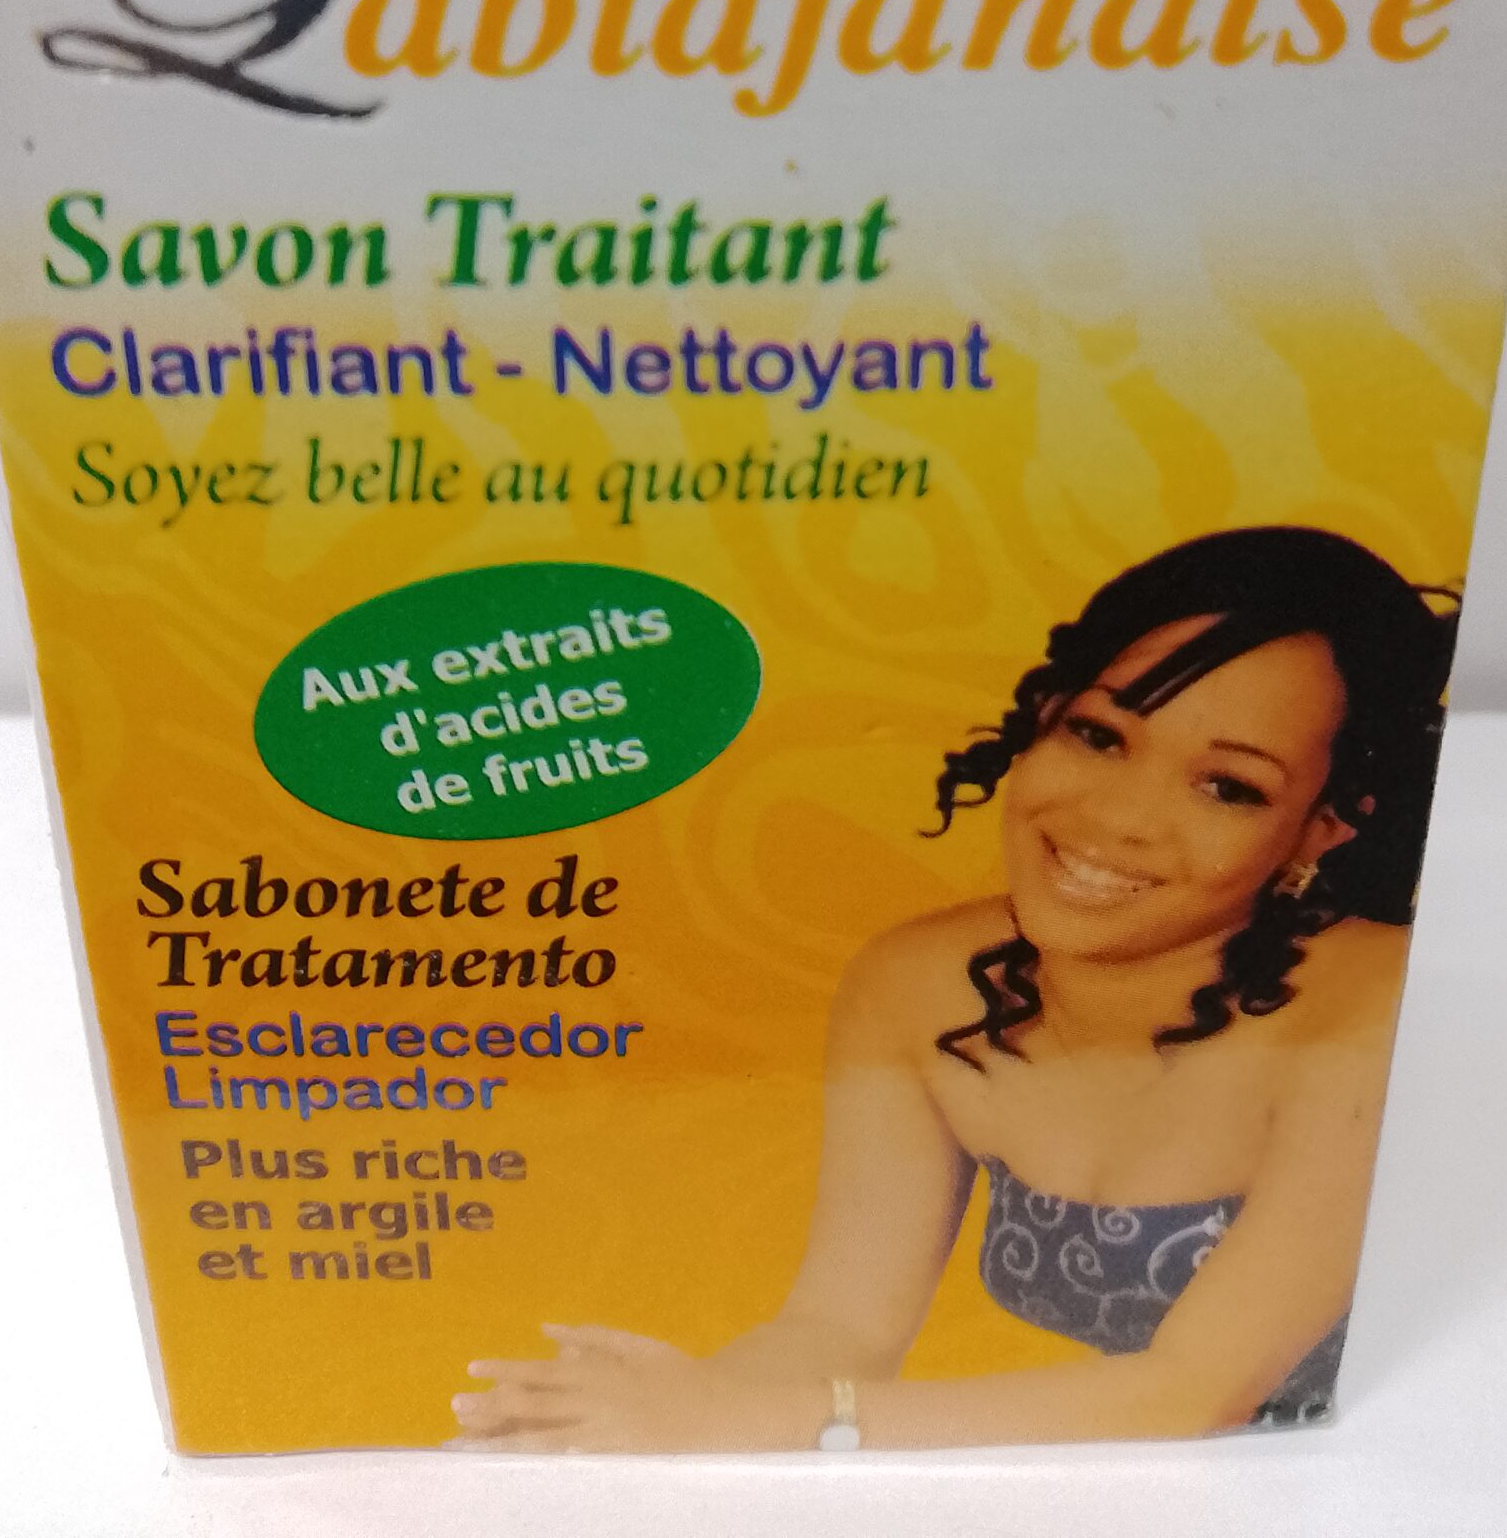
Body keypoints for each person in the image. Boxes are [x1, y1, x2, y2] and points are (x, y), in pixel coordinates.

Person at [454, 526, 1455, 1452]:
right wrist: (629, 1424)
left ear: (1325, 824)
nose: (1120, 817)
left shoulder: (1374, 1014)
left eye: (1227, 786)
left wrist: (741, 1423)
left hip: (1389, 1469)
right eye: (1100, 735)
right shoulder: (919, 984)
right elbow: (840, 1326)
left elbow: (1193, 1395)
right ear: (1044, 716)